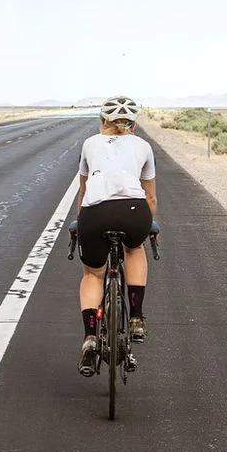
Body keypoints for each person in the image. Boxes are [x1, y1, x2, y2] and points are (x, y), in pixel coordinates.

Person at [72, 95, 157, 377]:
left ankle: (90, 337)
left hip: (95, 213)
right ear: (133, 125)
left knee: (93, 275)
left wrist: (80, 222)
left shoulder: (90, 143)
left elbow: (84, 193)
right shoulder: (143, 146)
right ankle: (135, 318)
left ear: (102, 121)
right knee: (134, 249)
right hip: (134, 209)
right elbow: (151, 196)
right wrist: (149, 224)